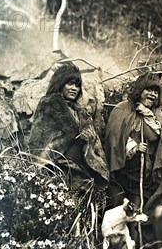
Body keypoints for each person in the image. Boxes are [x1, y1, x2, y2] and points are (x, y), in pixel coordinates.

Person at [28, 63, 110, 191]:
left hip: (82, 171)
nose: (74, 88)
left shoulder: (81, 112)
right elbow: (40, 142)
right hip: (58, 172)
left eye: (77, 85)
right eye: (70, 83)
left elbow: (95, 144)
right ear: (60, 83)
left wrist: (89, 139)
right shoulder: (49, 105)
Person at [104, 72, 162, 210]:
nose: (152, 94)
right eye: (149, 90)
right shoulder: (122, 109)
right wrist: (133, 148)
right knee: (117, 210)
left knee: (136, 213)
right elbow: (114, 139)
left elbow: (154, 137)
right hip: (121, 173)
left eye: (156, 92)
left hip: (142, 175)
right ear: (139, 89)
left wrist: (147, 114)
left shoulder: (155, 113)